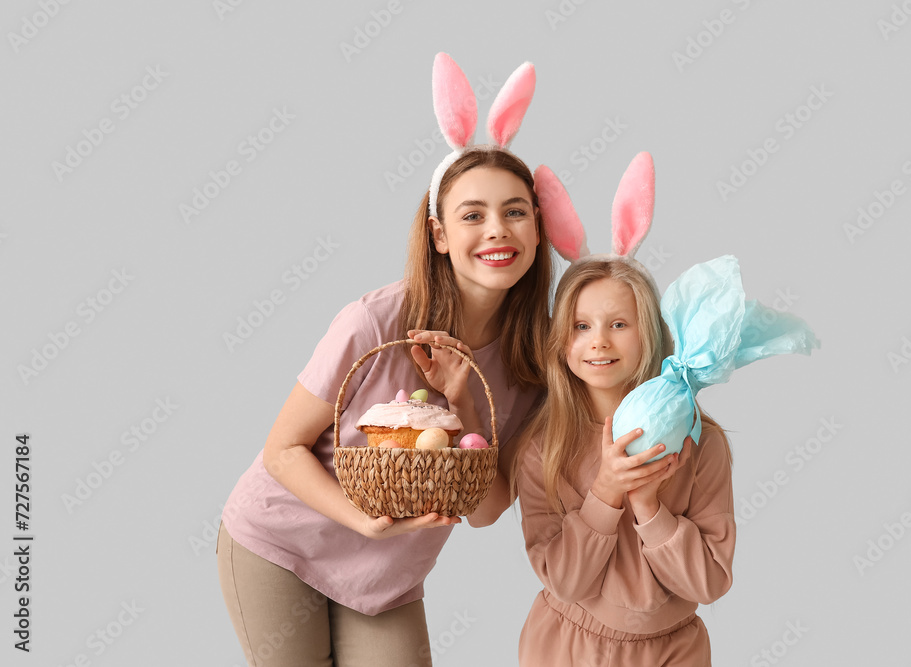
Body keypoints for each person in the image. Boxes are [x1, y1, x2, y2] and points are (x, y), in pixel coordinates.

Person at [217, 54, 553, 667]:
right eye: (472, 215)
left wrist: (468, 403)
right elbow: (282, 450)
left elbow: (485, 512)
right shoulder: (374, 322)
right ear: (440, 235)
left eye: (515, 211)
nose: (497, 231)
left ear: (538, 227)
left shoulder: (535, 362)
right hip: (282, 544)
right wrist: (361, 518)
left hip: (385, 577)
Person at [512, 256, 734, 666]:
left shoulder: (701, 444)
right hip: (566, 648)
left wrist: (649, 507)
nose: (599, 341)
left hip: (674, 652)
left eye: (618, 324)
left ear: (648, 333)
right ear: (561, 339)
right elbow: (565, 581)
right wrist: (607, 492)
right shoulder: (544, 447)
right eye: (581, 326)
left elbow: (709, 582)